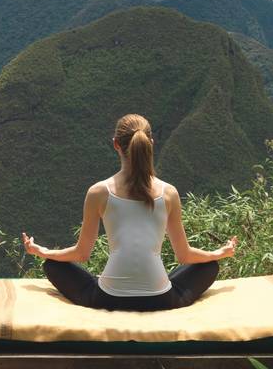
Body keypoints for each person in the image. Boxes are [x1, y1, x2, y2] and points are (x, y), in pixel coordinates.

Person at [21, 113, 239, 311]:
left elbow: (81, 254)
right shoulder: (169, 193)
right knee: (208, 266)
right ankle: (160, 283)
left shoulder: (99, 192)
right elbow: (184, 255)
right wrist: (220, 253)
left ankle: (113, 282)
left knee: (53, 266)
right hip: (161, 299)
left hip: (107, 297)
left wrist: (43, 251)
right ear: (151, 144)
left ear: (116, 144)